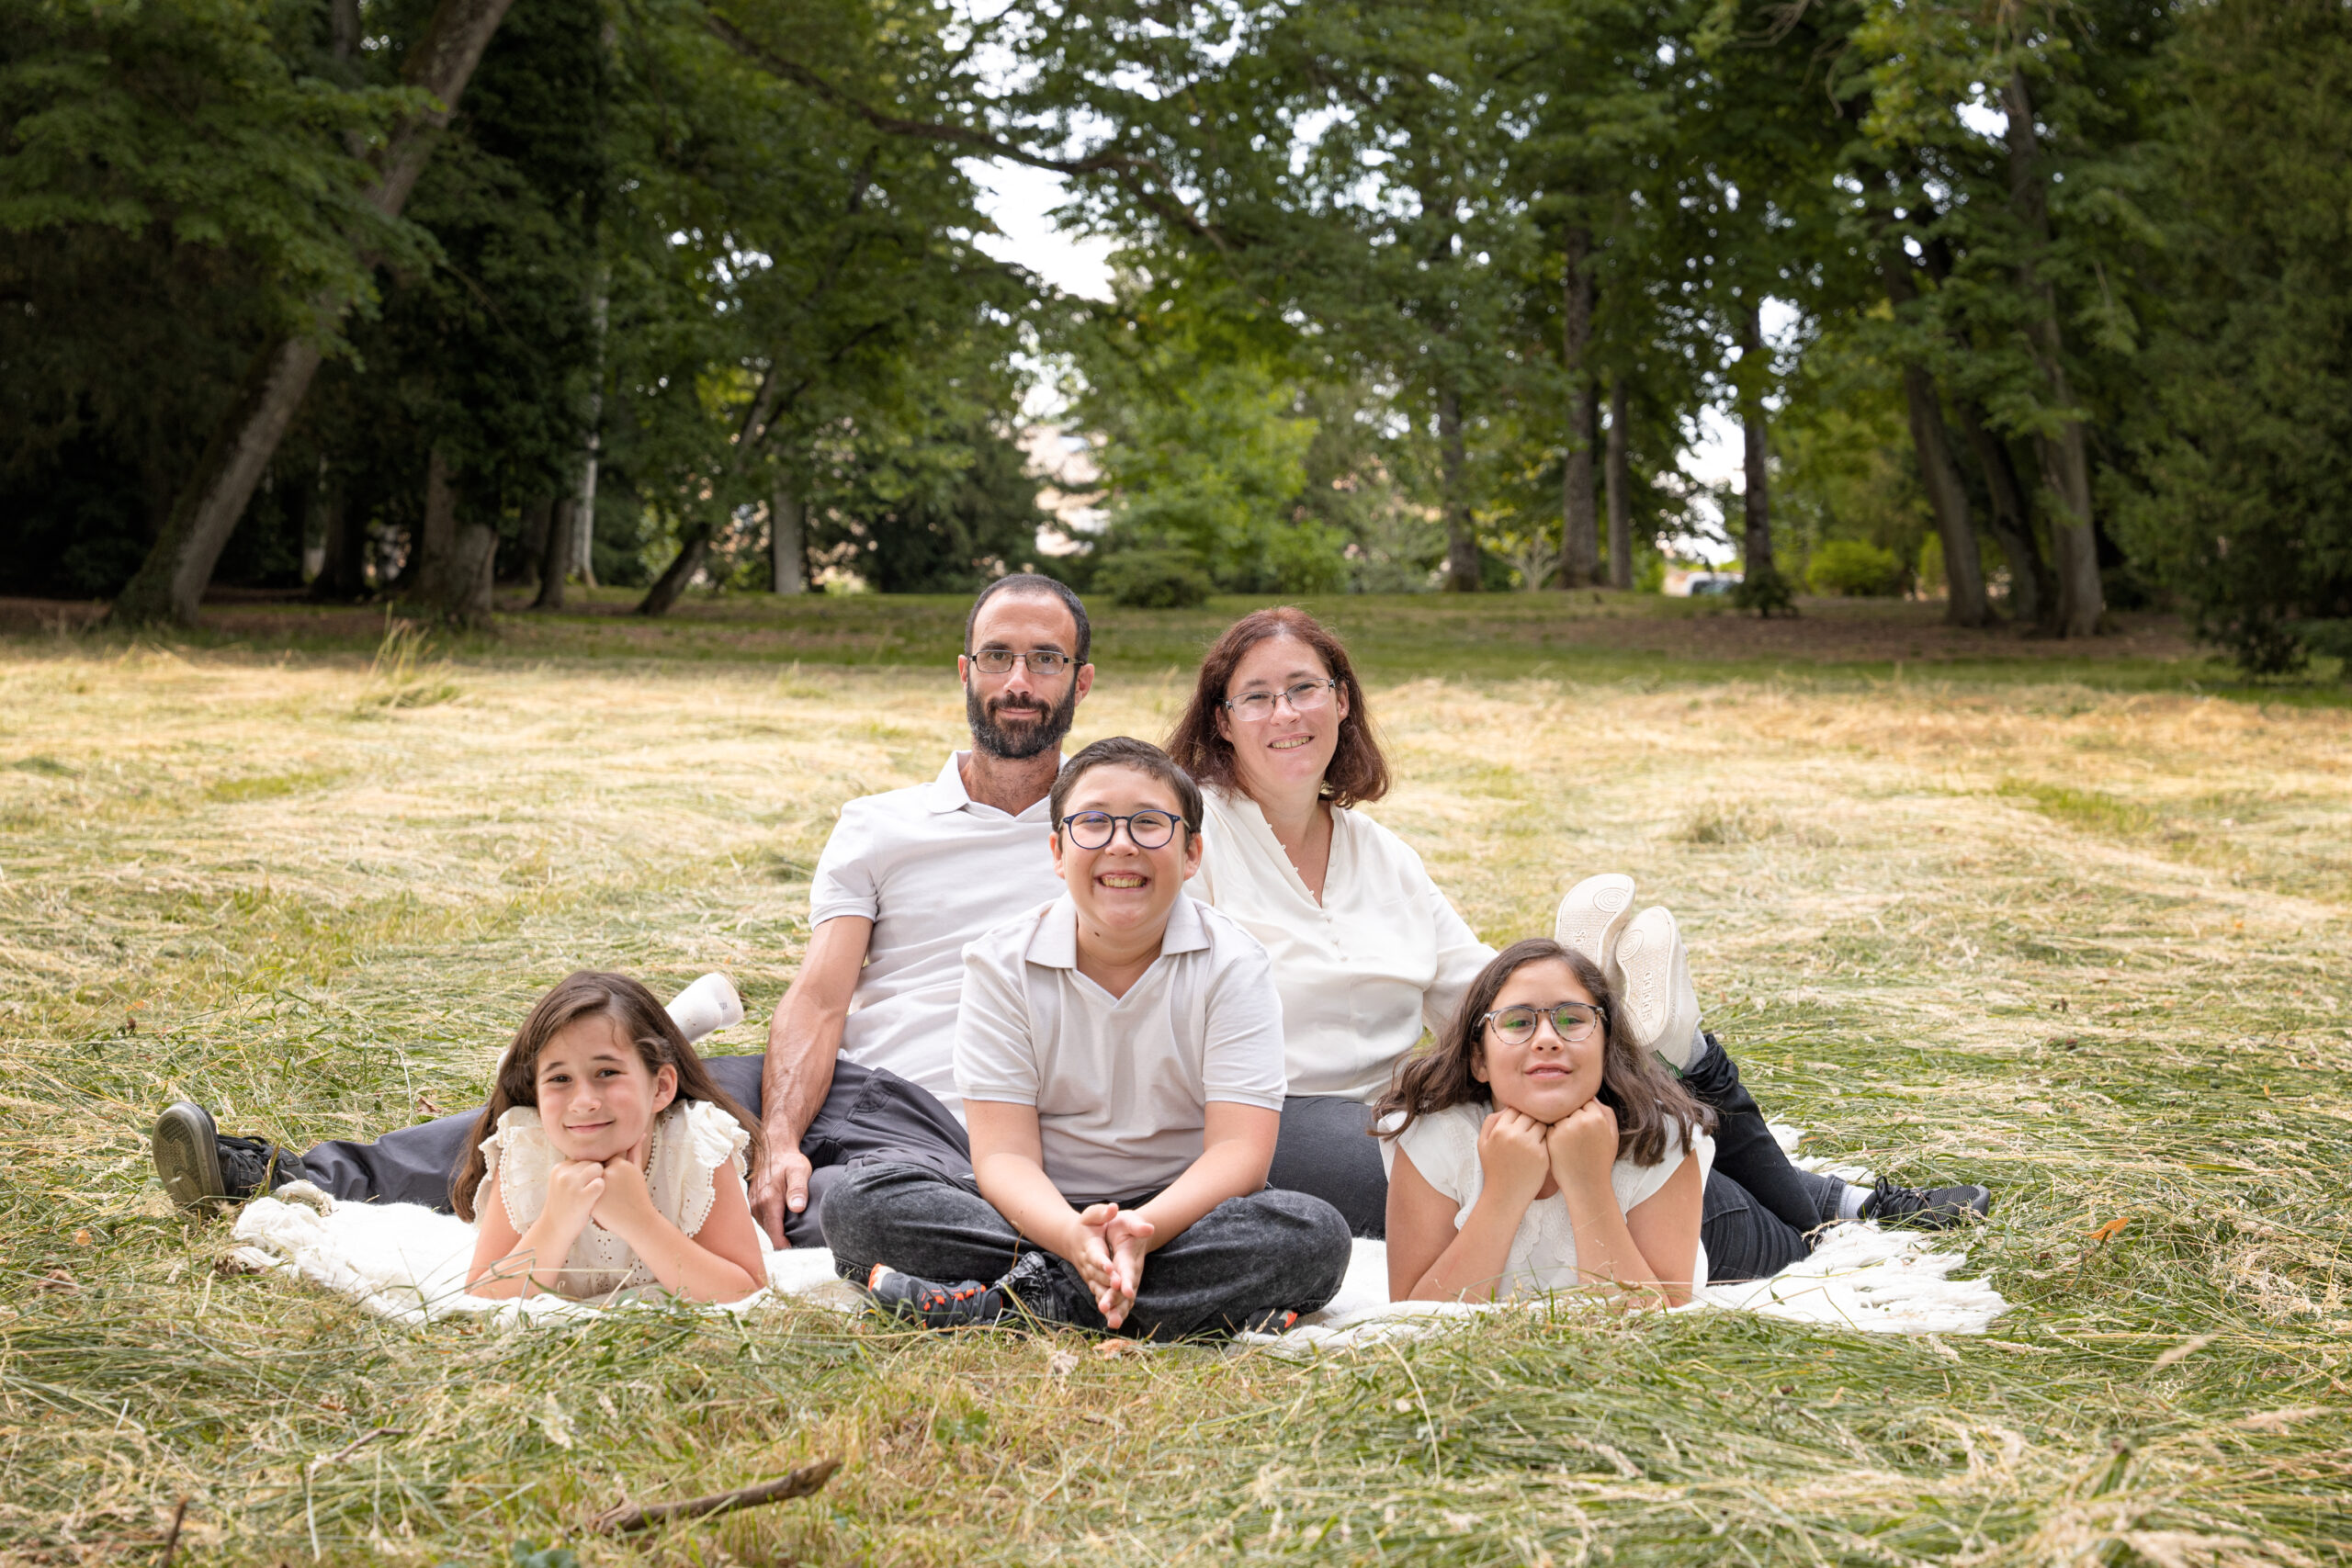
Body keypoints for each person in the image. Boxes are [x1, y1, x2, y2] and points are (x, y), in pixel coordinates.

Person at [149, 574, 1095, 1248]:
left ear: (1080, 683)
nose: (1020, 682)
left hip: (961, 1120)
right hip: (841, 1079)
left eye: (1045, 660)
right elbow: (815, 997)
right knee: (605, 1079)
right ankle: (284, 1174)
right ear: (963, 671)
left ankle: (725, 1218)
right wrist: (778, 1137)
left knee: (819, 1204)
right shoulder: (880, 826)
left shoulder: (1116, 834)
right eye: (1000, 657)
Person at [1163, 605, 1990, 1264]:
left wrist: (1552, 1024)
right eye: (1258, 696)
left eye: (1304, 688)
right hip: (1276, 1117)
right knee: (1596, 1172)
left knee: (1600, 1085)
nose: (1286, 714)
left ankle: (1687, 1063)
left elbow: (1474, 996)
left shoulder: (1381, 855)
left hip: (1405, 1099)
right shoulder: (1193, 842)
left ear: (1341, 701)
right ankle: (1814, 1218)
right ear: (1222, 720)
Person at [821, 738, 1353, 1339]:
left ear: (1192, 852)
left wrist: (1141, 1229)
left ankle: (1017, 1303)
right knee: (858, 1200)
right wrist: (1073, 1238)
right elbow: (1004, 1155)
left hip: (1181, 1218)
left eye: (1149, 824)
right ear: (1056, 850)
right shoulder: (1001, 963)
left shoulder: (1235, 964)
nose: (1121, 843)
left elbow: (1240, 1154)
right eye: (1093, 823)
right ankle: (1151, 1302)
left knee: (1315, 1235)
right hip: (1030, 1213)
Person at [1383, 940, 1738, 1305]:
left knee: (1798, 1222)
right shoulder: (1433, 1136)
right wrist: (1502, 1195)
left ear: (1607, 1044)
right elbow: (1414, 1319)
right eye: (1518, 1022)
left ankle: (1691, 1048)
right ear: (1479, 1060)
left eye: (1572, 1019)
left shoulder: (1661, 1138)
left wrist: (1590, 1187)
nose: (1547, 1040)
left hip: (1726, 1230)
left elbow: (1662, 1323)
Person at [456, 971, 770, 1303]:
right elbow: (479, 1298)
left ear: (663, 1087)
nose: (583, 1102)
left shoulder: (696, 1145)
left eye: (607, 1073)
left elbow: (747, 1291)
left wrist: (639, 1220)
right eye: (559, 1078)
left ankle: (676, 1028)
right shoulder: (528, 1148)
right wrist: (555, 1222)